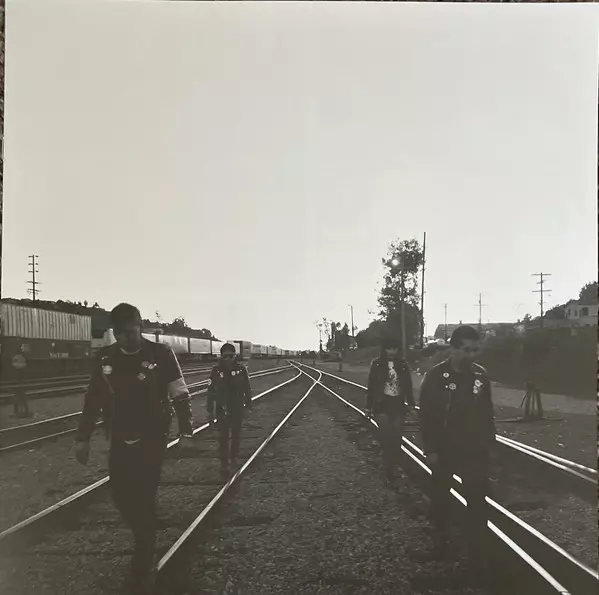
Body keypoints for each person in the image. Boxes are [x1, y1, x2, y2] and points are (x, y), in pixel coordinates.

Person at [73, 303, 194, 595]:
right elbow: (93, 399)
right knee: (120, 494)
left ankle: (143, 560)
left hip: (152, 436)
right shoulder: (105, 357)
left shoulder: (161, 354)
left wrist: (186, 432)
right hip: (119, 435)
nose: (125, 338)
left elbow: (180, 393)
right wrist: (83, 438)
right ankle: (146, 531)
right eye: (119, 333)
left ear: (140, 326)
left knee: (143, 494)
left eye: (130, 331)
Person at [419, 325, 496, 568]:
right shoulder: (436, 376)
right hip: (445, 447)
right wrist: (430, 449)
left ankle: (477, 553)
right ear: (453, 349)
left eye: (475, 350)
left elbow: (487, 413)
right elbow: (427, 416)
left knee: (477, 500)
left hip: (474, 449)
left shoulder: (480, 376)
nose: (471, 355)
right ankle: (440, 545)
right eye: (466, 350)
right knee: (440, 499)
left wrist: (490, 444)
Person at [365, 336, 415, 481]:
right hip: (382, 404)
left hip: (397, 404)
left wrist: (411, 403)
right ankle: (388, 469)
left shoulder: (403, 364)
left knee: (396, 437)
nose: (392, 351)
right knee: (386, 437)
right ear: (384, 349)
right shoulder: (377, 364)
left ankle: (394, 466)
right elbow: (371, 386)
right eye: (389, 348)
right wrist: (368, 406)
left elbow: (408, 385)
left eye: (394, 348)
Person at [206, 343, 252, 477]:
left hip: (237, 407)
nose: (227, 359)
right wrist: (210, 410)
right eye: (224, 356)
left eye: (230, 356)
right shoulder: (216, 371)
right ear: (221, 356)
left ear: (234, 356)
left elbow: (247, 388)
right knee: (223, 437)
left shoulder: (241, 370)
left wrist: (248, 405)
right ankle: (224, 463)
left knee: (236, 434)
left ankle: (234, 458)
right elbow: (210, 391)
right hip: (222, 408)